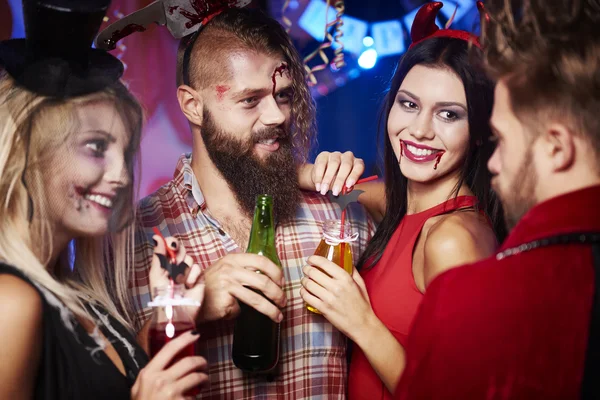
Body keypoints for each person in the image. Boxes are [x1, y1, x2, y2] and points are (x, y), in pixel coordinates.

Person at [127, 6, 374, 399]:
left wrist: (321, 177)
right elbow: (103, 380)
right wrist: (191, 304)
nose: (276, 114)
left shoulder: (338, 219)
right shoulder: (134, 239)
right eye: (250, 100)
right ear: (192, 105)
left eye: (284, 95)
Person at [392, 0, 600, 398]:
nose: (495, 162)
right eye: (408, 103)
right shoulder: (405, 207)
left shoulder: (471, 295)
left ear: (557, 147)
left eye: (501, 139)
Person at [0, 0, 208, 398]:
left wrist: (173, 306)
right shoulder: (11, 302)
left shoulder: (81, 297)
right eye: (96, 147)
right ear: (28, 154)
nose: (122, 176)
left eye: (126, 153)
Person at [300, 2, 505, 398]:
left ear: (479, 131)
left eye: (449, 115)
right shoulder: (397, 202)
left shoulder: (452, 239)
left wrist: (361, 321)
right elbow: (321, 186)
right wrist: (318, 170)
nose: (419, 130)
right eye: (409, 104)